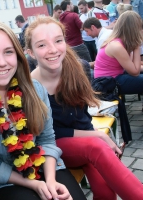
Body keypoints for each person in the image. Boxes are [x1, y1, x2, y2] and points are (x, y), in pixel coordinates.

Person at [0, 20, 87, 200]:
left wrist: (50, 181)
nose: (2, 62)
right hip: (3, 180)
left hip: (45, 166)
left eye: (8, 52)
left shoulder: (35, 89)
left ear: (18, 55)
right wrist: (33, 184)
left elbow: (47, 139)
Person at [25, 16, 143, 200]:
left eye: (58, 40)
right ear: (30, 52)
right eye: (42, 45)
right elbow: (49, 134)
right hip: (54, 148)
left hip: (87, 141)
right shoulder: (30, 87)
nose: (53, 49)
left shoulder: (79, 68)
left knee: (105, 191)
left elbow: (82, 115)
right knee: (96, 147)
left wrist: (95, 134)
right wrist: (99, 135)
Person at [94, 11, 143, 94]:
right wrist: (137, 46)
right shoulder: (117, 46)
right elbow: (135, 72)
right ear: (134, 29)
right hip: (106, 82)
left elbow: (132, 65)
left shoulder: (119, 42)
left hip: (112, 77)